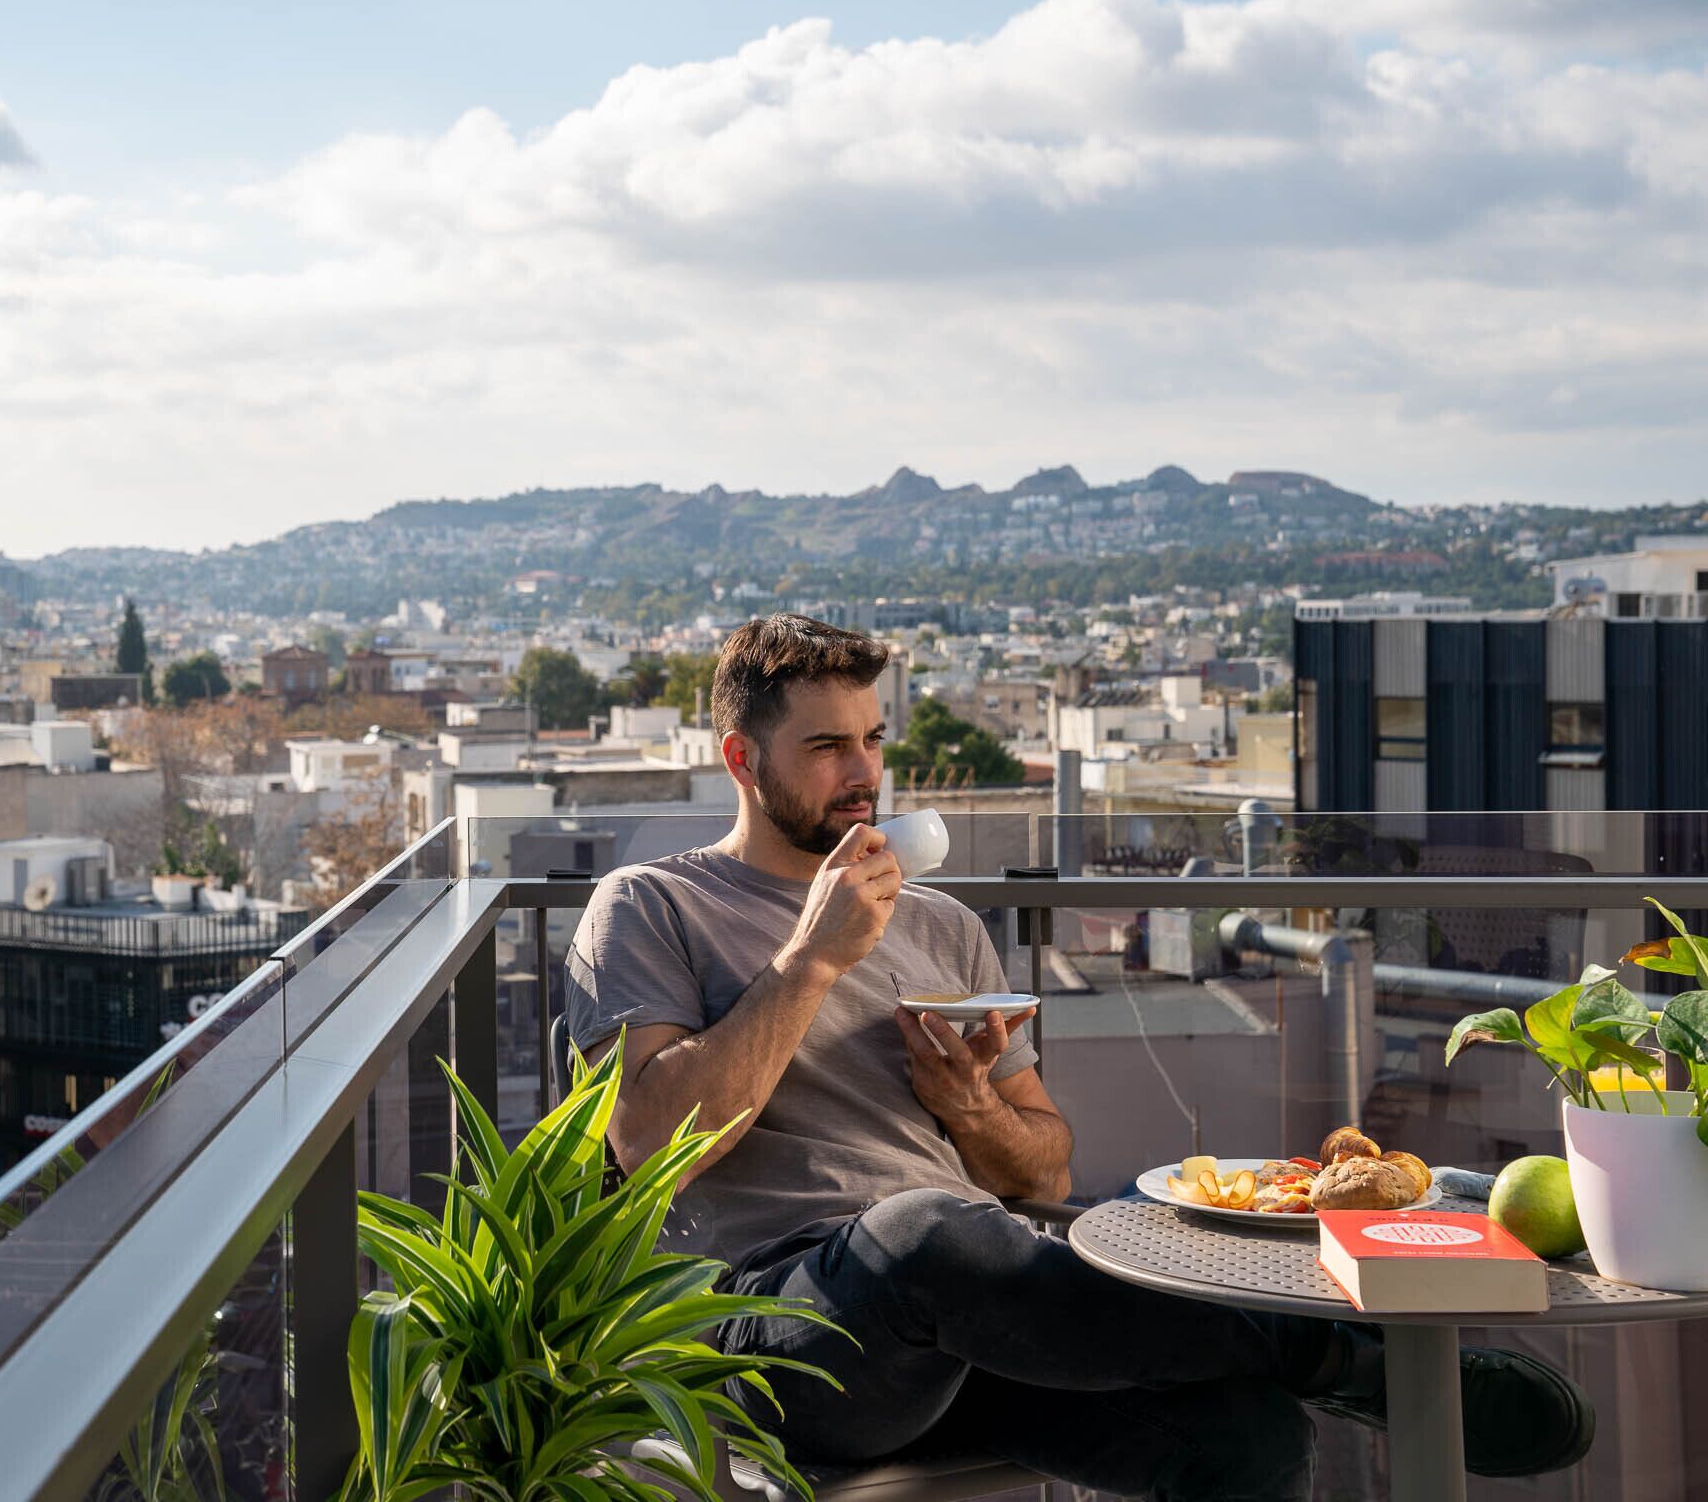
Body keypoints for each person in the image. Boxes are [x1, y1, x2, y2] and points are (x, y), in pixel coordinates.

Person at [565, 615, 1593, 1500]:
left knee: (1252, 1435)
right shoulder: (651, 905)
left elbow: (1045, 1168)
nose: (865, 772)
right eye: (828, 745)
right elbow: (651, 1139)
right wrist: (813, 956)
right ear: (743, 760)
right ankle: (1356, 1358)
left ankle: (1325, 1367)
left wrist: (970, 1107)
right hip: (781, 1332)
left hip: (980, 1342)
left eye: (874, 739)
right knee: (929, 1231)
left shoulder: (939, 924)